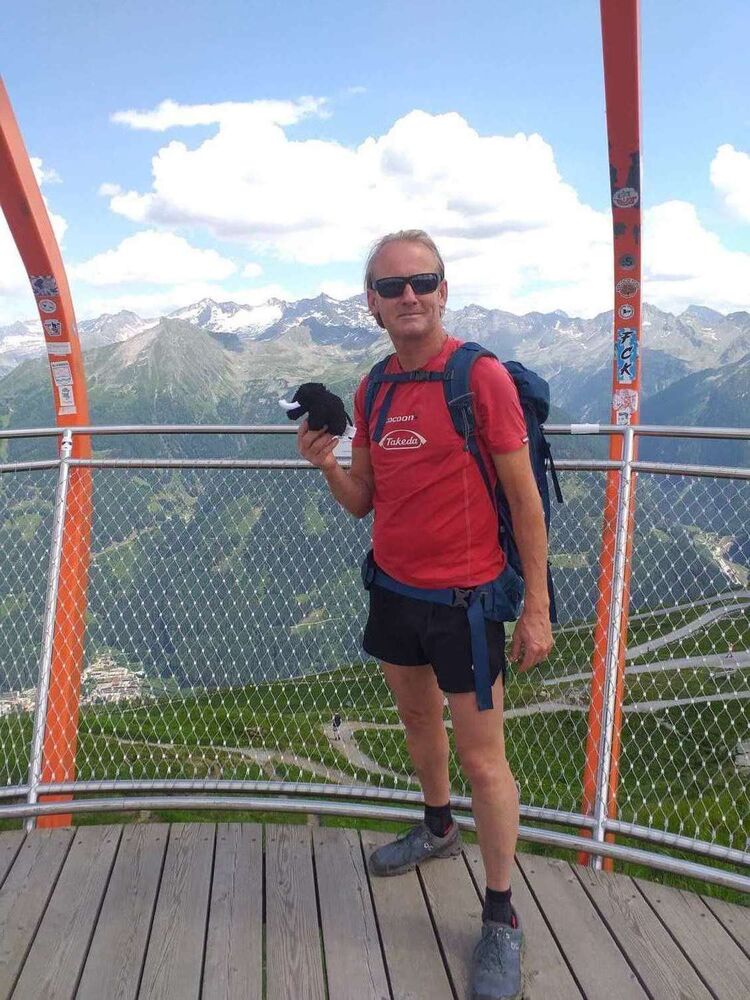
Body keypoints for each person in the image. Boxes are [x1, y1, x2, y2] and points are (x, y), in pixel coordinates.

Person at [297, 230, 553, 1000]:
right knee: (415, 722)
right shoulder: (374, 389)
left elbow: (525, 501)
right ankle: (439, 827)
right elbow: (363, 502)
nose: (408, 295)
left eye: (422, 281)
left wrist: (537, 608)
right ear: (371, 304)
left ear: (444, 290)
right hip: (395, 591)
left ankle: (501, 915)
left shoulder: (478, 378)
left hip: (467, 606)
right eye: (391, 286)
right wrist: (327, 464)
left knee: (485, 760)